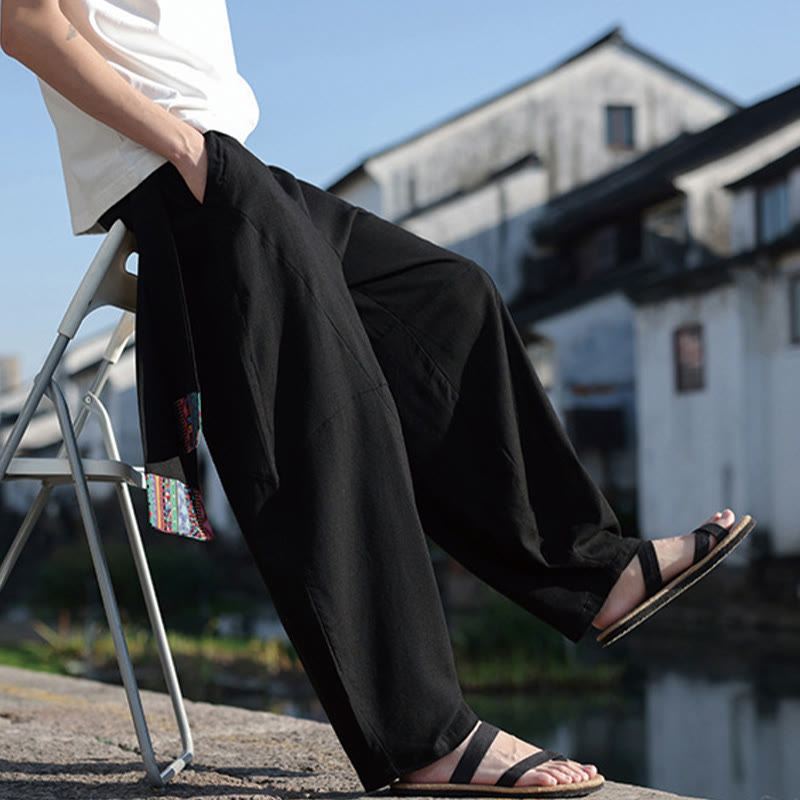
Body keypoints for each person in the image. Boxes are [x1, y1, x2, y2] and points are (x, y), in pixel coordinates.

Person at [0, 2, 754, 797]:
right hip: (172, 165)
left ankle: (596, 573)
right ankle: (423, 737)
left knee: (447, 303)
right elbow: (25, 22)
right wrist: (183, 147)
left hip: (223, 161)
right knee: (329, 416)